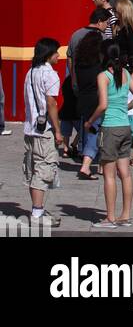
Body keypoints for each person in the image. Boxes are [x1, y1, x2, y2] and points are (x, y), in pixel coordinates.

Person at [84, 42, 133, 227]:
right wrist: (127, 107)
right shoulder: (124, 72)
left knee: (109, 175)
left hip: (110, 127)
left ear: (103, 55)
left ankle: (110, 217)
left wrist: (90, 121)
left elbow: (103, 105)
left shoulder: (104, 76)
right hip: (125, 127)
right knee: (125, 174)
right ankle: (126, 215)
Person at [22, 37, 66, 229]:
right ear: (48, 54)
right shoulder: (51, 75)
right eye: (56, 51)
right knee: (43, 169)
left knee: (33, 169)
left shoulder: (30, 72)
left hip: (30, 128)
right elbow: (51, 104)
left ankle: (36, 209)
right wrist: (58, 131)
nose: (58, 55)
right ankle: (37, 213)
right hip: (44, 130)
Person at [72, 28, 106, 181]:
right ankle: (85, 167)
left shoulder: (80, 64)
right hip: (95, 103)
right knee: (94, 134)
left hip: (82, 101)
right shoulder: (98, 67)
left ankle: (97, 163)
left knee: (88, 132)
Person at [113, 0, 133, 66]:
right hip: (120, 63)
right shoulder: (117, 24)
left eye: (116, 10)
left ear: (123, 12)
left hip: (129, 64)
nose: (114, 11)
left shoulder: (129, 29)